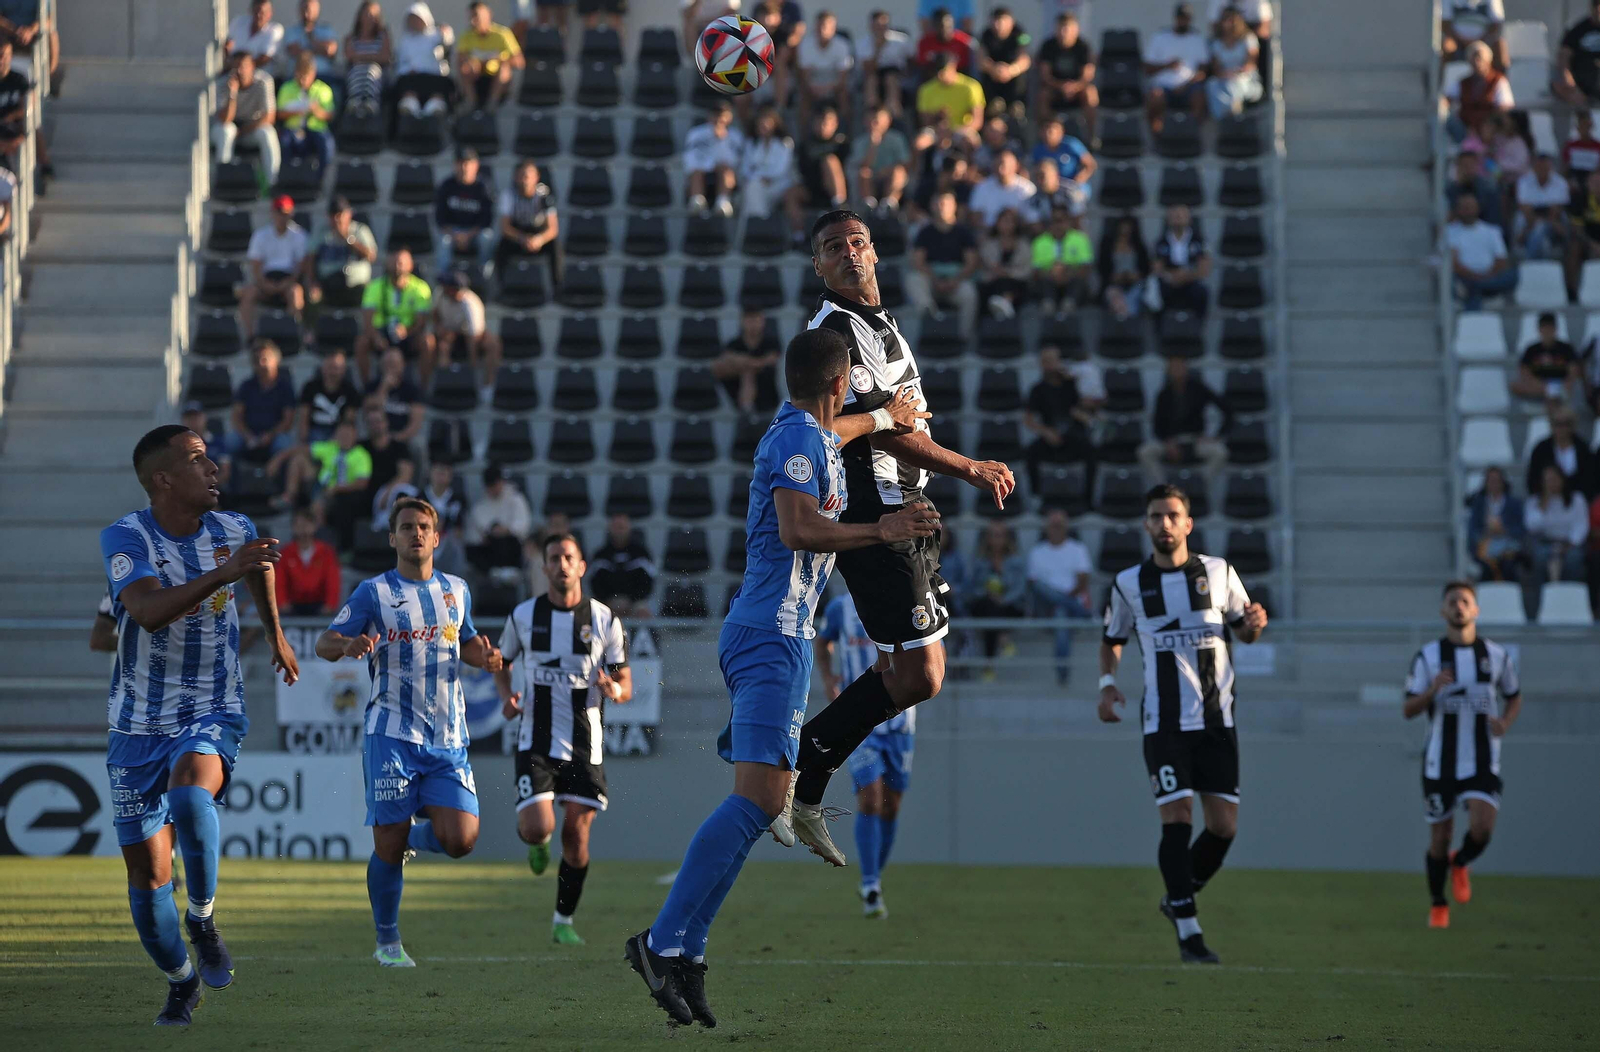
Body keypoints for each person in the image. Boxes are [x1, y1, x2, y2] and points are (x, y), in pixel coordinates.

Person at [625, 329, 938, 1027]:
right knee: (758, 802)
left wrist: (884, 417)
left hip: (777, 635)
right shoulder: (797, 442)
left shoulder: (813, 431)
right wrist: (883, 529)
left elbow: (841, 429)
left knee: (762, 802)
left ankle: (688, 952)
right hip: (771, 634)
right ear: (840, 382)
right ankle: (661, 942)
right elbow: (798, 530)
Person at [785, 210, 1016, 863]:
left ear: (875, 252)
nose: (849, 253)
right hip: (879, 510)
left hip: (907, 505)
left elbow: (902, 420)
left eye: (857, 241)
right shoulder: (836, 332)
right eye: (833, 247)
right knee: (921, 676)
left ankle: (805, 781)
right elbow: (882, 430)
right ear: (818, 266)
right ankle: (799, 767)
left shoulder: (880, 323)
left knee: (901, 668)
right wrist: (968, 467)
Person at [100, 424, 297, 1024]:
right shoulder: (125, 537)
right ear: (162, 479)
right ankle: (181, 981)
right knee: (147, 881)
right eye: (197, 460)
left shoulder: (232, 529)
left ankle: (204, 918)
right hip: (137, 723)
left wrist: (276, 635)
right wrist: (224, 573)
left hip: (212, 706)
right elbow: (145, 611)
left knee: (190, 795)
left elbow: (258, 565)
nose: (213, 469)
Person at [314, 498, 501, 967]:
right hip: (391, 734)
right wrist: (348, 644)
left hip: (447, 737)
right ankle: (388, 942)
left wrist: (484, 657)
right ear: (392, 538)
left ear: (436, 538)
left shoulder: (457, 590)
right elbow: (323, 643)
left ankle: (412, 840)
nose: (415, 534)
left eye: (423, 527)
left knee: (462, 839)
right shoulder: (373, 592)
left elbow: (467, 642)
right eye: (406, 527)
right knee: (387, 844)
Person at [1099, 484, 1269, 964]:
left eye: (1173, 515)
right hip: (1164, 723)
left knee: (1224, 828)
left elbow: (1246, 631)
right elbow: (1112, 638)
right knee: (1177, 819)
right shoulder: (1129, 583)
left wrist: (1256, 623)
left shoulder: (1219, 572)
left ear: (1188, 523)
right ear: (1146, 524)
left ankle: (1177, 896)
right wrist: (1107, 684)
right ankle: (1190, 934)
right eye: (1156, 516)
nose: (1165, 523)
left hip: (1217, 720)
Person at [494, 533, 630, 945]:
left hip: (585, 744)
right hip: (534, 739)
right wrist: (507, 696)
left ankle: (563, 920)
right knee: (539, 828)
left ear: (582, 565)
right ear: (545, 567)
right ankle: (537, 841)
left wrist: (615, 690)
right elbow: (501, 662)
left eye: (569, 557)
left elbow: (624, 680)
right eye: (554, 558)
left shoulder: (604, 619)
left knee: (576, 835)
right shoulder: (523, 615)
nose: (562, 564)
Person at [1404, 581, 1522, 929]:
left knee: (1482, 829)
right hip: (1439, 762)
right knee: (1440, 837)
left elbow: (1514, 695)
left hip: (1482, 759)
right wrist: (1432, 690)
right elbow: (1408, 709)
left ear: (1476, 610)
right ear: (1443, 611)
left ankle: (1461, 861)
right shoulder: (1428, 657)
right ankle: (1438, 904)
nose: (1459, 606)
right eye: (1452, 601)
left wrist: (1505, 722)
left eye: (1465, 601)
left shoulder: (1496, 655)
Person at [816, 590, 914, 918]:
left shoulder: (905, 599)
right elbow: (822, 641)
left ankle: (874, 877)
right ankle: (870, 884)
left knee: (891, 806)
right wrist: (829, 679)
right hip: (861, 719)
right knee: (870, 799)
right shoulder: (841, 608)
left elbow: (932, 649)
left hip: (900, 723)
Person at [1027, 508, 1093, 683]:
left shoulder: (1077, 549)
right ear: (1046, 527)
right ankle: (1082, 612)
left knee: (1060, 614)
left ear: (1066, 527)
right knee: (1040, 588)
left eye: (1059, 525)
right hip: (1045, 606)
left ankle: (1062, 671)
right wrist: (1061, 598)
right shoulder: (1037, 552)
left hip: (1066, 608)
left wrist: (1062, 600)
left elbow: (1083, 581)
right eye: (1053, 525)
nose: (1056, 528)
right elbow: (1034, 585)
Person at [1139, 356, 1229, 482]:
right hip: (1171, 442)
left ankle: (1201, 484)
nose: (1177, 371)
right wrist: (1168, 442)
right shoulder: (1163, 394)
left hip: (1195, 440)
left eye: (1180, 367)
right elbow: (1157, 425)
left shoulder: (1199, 389)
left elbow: (1227, 410)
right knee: (1145, 452)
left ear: (1186, 369)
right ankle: (1164, 487)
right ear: (1168, 372)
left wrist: (1216, 436)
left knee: (1220, 452)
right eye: (1173, 368)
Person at [1024, 344, 1096, 494]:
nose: (1048, 365)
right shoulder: (1037, 389)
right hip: (1050, 437)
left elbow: (1093, 404)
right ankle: (1036, 496)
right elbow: (1028, 420)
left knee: (1092, 452)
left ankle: (1088, 498)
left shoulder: (1073, 385)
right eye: (1045, 361)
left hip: (1074, 436)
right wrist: (1046, 432)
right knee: (1029, 453)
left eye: (1051, 361)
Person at [907, 189, 980, 333]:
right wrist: (935, 280)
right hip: (931, 279)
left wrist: (955, 280)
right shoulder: (925, 232)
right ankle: (931, 317)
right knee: (913, 280)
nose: (941, 207)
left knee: (969, 294)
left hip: (956, 279)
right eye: (938, 203)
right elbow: (918, 262)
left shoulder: (964, 232)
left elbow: (971, 263)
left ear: (954, 206)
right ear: (932, 206)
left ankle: (963, 336)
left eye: (945, 203)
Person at [357, 248, 435, 383]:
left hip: (408, 334)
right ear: (387, 264)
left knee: (428, 341)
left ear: (410, 265)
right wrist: (376, 337)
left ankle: (424, 387)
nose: (397, 266)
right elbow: (367, 319)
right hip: (382, 334)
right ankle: (367, 386)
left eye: (401, 262)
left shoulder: (421, 288)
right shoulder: (374, 287)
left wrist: (407, 331)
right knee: (361, 342)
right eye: (394, 261)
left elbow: (421, 322)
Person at [239, 195, 308, 338]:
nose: (282, 217)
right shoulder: (261, 235)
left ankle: (293, 336)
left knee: (296, 293)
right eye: (279, 212)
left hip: (288, 282)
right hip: (266, 281)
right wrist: (264, 283)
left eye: (286, 213)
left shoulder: (299, 235)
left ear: (291, 213)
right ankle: (250, 337)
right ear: (272, 213)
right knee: (248, 294)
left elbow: (300, 267)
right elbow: (256, 266)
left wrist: (287, 283)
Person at [962, 520, 1026, 663]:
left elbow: (1020, 589)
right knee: (989, 607)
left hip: (1009, 606)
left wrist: (1003, 599)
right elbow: (971, 588)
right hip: (985, 603)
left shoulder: (1016, 562)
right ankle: (1003, 638)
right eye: (993, 535)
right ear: (987, 538)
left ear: (1007, 538)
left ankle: (988, 664)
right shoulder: (979, 562)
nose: (996, 539)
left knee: (993, 612)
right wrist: (987, 594)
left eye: (1000, 535)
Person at [212, 52, 279, 187]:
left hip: (251, 128)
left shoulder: (264, 81)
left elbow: (269, 117)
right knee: (226, 131)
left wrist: (242, 131)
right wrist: (232, 94)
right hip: (229, 126)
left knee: (268, 133)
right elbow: (225, 119)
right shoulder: (222, 83)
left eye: (244, 66)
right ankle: (224, 181)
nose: (240, 71)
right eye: (236, 67)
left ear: (252, 66)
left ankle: (272, 183)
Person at [785, 106, 850, 241]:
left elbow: (848, 168)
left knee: (829, 160)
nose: (822, 126)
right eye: (819, 121)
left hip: (834, 190)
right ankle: (798, 236)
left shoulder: (842, 145)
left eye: (826, 122)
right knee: (791, 194)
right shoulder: (806, 146)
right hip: (813, 189)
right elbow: (803, 171)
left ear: (835, 124)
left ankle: (840, 208)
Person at [493, 159, 561, 286]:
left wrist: (539, 239)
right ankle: (501, 287)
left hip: (538, 234)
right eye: (522, 176)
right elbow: (505, 227)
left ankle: (558, 287)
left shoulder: (545, 195)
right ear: (515, 178)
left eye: (528, 176)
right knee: (501, 248)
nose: (525, 180)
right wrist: (522, 238)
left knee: (555, 247)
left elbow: (553, 228)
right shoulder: (508, 195)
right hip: (518, 235)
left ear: (536, 177)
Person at [229, 341, 299, 464]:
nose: (261, 363)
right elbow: (237, 417)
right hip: (249, 435)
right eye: (256, 360)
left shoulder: (285, 388)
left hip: (275, 436)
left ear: (276, 360)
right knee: (231, 442)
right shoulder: (246, 386)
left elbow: (288, 421)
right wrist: (248, 436)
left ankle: (277, 476)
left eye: (264, 359)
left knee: (284, 444)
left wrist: (270, 436)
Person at [1143, 2, 1208, 134]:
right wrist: (1167, 65)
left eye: (1186, 18)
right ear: (1175, 18)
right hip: (1163, 86)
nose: (1183, 21)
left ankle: (1193, 135)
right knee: (1155, 97)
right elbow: (1147, 69)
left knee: (1199, 96)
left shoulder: (1197, 39)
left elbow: (1203, 71)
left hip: (1189, 86)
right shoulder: (1159, 37)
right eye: (1181, 17)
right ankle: (1157, 137)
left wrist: (1186, 85)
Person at [434, 147, 497, 279]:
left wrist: (468, 236)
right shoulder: (447, 186)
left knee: (486, 237)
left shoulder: (483, 187)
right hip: (453, 232)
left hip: (475, 233)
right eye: (460, 163)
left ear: (476, 165)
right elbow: (440, 219)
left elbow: (486, 220)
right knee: (443, 240)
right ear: (455, 165)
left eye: (468, 163)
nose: (464, 167)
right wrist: (456, 235)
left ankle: (484, 277)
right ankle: (443, 278)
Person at [307, 196, 378, 313]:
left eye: (340, 214)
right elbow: (310, 259)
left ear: (349, 214)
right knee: (312, 298)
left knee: (369, 296)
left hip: (356, 284)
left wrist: (347, 238)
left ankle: (365, 325)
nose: (337, 219)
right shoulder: (322, 233)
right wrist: (313, 283)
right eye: (333, 215)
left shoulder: (360, 230)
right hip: (329, 283)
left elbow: (371, 256)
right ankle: (311, 326)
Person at [1525, 464, 1590, 590]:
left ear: (1562, 479)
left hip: (1570, 543)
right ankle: (1544, 595)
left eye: (1554, 479)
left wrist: (1571, 543)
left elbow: (1581, 525)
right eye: (1547, 480)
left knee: (1573, 559)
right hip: (1545, 543)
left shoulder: (1577, 499)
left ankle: (1571, 593)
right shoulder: (1534, 501)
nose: (1551, 483)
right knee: (1540, 558)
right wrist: (1544, 503)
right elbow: (1532, 526)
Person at [433, 270, 498, 392]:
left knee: (493, 344)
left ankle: (483, 385)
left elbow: (474, 336)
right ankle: (445, 386)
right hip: (449, 334)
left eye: (446, 286)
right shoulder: (440, 293)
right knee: (443, 346)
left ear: (454, 289)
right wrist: (439, 328)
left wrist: (472, 363)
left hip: (473, 337)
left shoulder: (471, 304)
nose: (443, 287)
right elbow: (435, 314)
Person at [392, 2, 456, 120]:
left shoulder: (436, 35)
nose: (414, 22)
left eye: (417, 19)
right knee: (405, 85)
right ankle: (410, 106)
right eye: (411, 19)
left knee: (441, 86)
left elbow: (447, 42)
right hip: (411, 77)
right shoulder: (405, 41)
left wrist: (446, 33)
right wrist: (407, 70)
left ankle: (435, 107)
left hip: (434, 76)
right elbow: (401, 63)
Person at [1036, 12, 1096, 135]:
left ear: (1076, 29)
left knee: (1091, 93)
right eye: (1061, 28)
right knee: (1043, 96)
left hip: (1078, 89)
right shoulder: (1048, 46)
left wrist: (1073, 87)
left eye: (1068, 28)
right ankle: (1045, 135)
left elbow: (1087, 76)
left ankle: (1092, 136)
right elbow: (1045, 75)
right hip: (1055, 88)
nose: (1064, 33)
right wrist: (1061, 86)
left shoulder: (1083, 47)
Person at [456, 1, 523, 111]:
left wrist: (500, 60)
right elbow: (460, 59)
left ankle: (492, 105)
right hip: (476, 77)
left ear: (488, 15)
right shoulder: (466, 36)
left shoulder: (502, 34)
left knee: (504, 69)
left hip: (497, 80)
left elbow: (519, 61)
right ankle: (471, 104)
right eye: (471, 17)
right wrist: (472, 63)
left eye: (476, 16)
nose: (473, 21)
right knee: (465, 68)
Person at [465, 462, 534, 570]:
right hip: (490, 547)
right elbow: (476, 533)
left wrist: (506, 530)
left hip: (511, 545)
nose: (494, 489)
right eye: (491, 486)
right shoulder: (480, 506)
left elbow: (523, 527)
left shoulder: (516, 500)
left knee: (506, 543)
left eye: (496, 484)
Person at [274, 507, 342, 615]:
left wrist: (330, 605)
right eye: (299, 525)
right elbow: (279, 582)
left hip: (320, 605)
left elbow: (333, 581)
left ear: (314, 526)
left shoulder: (327, 552)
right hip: (292, 607)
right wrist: (282, 604)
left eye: (307, 524)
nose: (303, 528)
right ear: (293, 528)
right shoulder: (285, 553)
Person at [683, 102, 745, 218]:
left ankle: (723, 202)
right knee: (696, 171)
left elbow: (736, 161)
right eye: (715, 115)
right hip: (701, 171)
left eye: (722, 115)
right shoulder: (696, 133)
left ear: (729, 117)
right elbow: (690, 157)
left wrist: (721, 141)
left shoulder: (736, 136)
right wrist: (708, 165)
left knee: (726, 170)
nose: (718, 119)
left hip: (726, 175)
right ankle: (697, 201)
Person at [712, 307, 781, 413]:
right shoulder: (734, 344)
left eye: (756, 320)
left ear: (763, 322)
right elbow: (727, 358)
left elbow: (772, 359)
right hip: (736, 384)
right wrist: (754, 363)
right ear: (742, 322)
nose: (753, 325)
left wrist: (745, 362)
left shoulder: (771, 343)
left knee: (748, 371)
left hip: (767, 386)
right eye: (749, 321)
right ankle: (746, 409)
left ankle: (747, 409)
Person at [1445, 39, 1512, 145]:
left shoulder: (1498, 80)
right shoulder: (1464, 82)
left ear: (1488, 60)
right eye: (1473, 58)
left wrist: (1488, 124)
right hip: (1467, 129)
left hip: (1489, 128)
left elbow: (1504, 107)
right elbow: (1447, 99)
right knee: (1449, 121)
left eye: (1480, 58)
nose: (1477, 62)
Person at [588, 512, 656, 616]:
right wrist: (609, 600)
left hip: (635, 602)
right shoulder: (601, 554)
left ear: (629, 528)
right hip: (607, 601)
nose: (619, 531)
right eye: (616, 527)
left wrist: (631, 600)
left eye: (622, 527)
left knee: (643, 612)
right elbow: (595, 582)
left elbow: (648, 582)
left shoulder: (641, 553)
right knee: (594, 612)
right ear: (610, 529)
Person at [276, 52, 334, 169]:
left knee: (326, 143)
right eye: (299, 76)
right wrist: (298, 111)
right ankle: (286, 175)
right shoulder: (286, 88)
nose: (302, 81)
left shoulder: (324, 89)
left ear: (313, 73)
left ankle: (321, 177)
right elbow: (279, 114)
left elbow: (330, 115)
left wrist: (316, 111)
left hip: (316, 129)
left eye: (305, 76)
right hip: (292, 128)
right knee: (284, 142)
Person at [1525, 405, 1597, 500]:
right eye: (1558, 424)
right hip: (1547, 500)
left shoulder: (1583, 449)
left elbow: (1590, 479)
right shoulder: (1541, 449)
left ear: (1573, 426)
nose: (1562, 428)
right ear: (1551, 425)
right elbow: (1533, 479)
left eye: (1566, 424)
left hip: (1577, 501)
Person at [1466, 466, 1525, 582]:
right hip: (1485, 547)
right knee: (1486, 567)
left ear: (1503, 482)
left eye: (1497, 480)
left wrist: (1504, 530)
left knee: (1509, 566)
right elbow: (1473, 529)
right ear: (1485, 483)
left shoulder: (1514, 504)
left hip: (1508, 547)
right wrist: (1486, 533)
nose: (1494, 484)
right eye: (1491, 481)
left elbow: (1521, 529)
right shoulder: (1478, 504)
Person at [795, 10, 853, 128]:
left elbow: (842, 78)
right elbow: (805, 76)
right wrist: (814, 88)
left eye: (826, 26)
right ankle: (804, 135)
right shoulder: (806, 45)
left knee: (844, 96)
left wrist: (828, 88)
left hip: (835, 84)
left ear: (834, 28)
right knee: (803, 97)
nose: (822, 29)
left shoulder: (842, 45)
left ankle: (845, 132)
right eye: (820, 25)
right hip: (813, 85)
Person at [849, 104, 911, 212]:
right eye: (869, 120)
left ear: (888, 121)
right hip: (871, 178)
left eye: (877, 120)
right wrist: (873, 145)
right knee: (863, 173)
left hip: (889, 176)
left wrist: (886, 171)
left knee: (899, 172)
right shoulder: (860, 142)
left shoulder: (897, 139)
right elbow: (863, 165)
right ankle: (869, 205)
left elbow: (905, 163)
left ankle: (889, 205)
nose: (873, 124)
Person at [1153, 204, 1213, 316]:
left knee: (1202, 293)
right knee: (1155, 295)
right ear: (1168, 220)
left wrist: (1186, 276)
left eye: (1181, 215)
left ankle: (1198, 324)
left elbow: (1204, 269)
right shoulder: (1161, 242)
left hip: (1191, 281)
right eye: (1175, 215)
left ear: (1189, 219)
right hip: (1169, 282)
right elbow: (1157, 269)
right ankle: (1160, 326)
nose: (1178, 218)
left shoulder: (1199, 241)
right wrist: (1172, 276)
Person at [738, 104, 795, 220]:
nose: (763, 127)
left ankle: (756, 222)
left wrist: (765, 177)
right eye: (761, 124)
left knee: (752, 189)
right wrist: (759, 178)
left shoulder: (785, 143)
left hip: (779, 185)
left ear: (774, 124)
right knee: (753, 188)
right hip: (756, 182)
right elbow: (745, 168)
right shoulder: (751, 143)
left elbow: (781, 168)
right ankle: (758, 220)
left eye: (767, 124)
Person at [916, 52, 985, 145]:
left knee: (969, 141)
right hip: (936, 130)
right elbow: (925, 121)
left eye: (944, 70)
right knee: (920, 143)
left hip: (962, 129)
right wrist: (937, 116)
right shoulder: (926, 89)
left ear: (953, 66)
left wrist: (959, 130)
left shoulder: (971, 87)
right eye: (937, 71)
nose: (940, 75)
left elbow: (977, 120)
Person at [296, 346, 361, 445]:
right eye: (330, 367)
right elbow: (303, 418)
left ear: (344, 370)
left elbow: (349, 422)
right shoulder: (310, 387)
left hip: (338, 434)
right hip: (315, 433)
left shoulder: (350, 390)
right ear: (323, 368)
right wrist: (303, 442)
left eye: (337, 368)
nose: (333, 372)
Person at [1205, 6, 1261, 121]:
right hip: (1224, 79)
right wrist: (1225, 74)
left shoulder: (1248, 39)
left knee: (1233, 85)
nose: (1227, 23)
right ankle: (1221, 119)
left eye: (1230, 19)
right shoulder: (1216, 43)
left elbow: (1251, 64)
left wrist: (1237, 73)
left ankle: (1235, 116)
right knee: (1212, 85)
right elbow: (1216, 69)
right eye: (1225, 19)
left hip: (1246, 79)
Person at [1031, 208, 1093, 312]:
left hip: (1072, 280)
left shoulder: (1080, 239)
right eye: (1054, 221)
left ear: (1068, 222)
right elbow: (1036, 270)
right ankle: (1048, 306)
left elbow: (1086, 267)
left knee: (1079, 282)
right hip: (1049, 280)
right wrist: (1052, 274)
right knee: (1043, 282)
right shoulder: (1039, 242)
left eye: (1061, 221)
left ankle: (1069, 306)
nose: (1058, 225)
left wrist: (1067, 274)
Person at [976, 207, 1033, 319]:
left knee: (1008, 283)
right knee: (996, 284)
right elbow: (983, 269)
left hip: (1017, 284)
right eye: (1004, 221)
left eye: (1010, 221)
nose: (1007, 225)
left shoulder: (1024, 245)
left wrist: (1008, 272)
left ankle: (1005, 304)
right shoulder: (988, 245)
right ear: (997, 223)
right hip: (993, 283)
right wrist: (995, 272)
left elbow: (1027, 270)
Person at [1514, 153, 1571, 263]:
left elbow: (1557, 210)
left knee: (1540, 229)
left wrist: (1542, 221)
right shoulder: (1524, 181)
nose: (1542, 170)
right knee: (1539, 233)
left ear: (1551, 167)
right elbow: (1525, 209)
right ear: (1534, 168)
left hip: (1553, 223)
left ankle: (1531, 264)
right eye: (1539, 167)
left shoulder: (1561, 183)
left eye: (1545, 167)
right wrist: (1536, 222)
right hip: (1529, 222)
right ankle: (1540, 264)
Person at [1512, 312, 1581, 402]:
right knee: (1515, 386)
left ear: (1555, 329)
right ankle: (1550, 394)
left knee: (1566, 388)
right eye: (1545, 328)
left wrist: (1567, 382)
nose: (1547, 332)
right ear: (1539, 329)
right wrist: (1537, 383)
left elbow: (1573, 369)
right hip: (1538, 385)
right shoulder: (1531, 349)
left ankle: (1552, 396)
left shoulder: (1566, 348)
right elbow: (1524, 371)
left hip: (1559, 383)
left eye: (1550, 328)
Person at [858, 9, 914, 120]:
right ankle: (872, 114)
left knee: (890, 78)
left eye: (883, 25)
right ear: (871, 26)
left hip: (896, 74)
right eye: (877, 26)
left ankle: (894, 113)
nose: (880, 29)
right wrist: (878, 49)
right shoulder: (863, 43)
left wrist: (906, 73)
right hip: (874, 73)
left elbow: (912, 61)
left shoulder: (901, 40)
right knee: (871, 81)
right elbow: (868, 69)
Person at [977, 6, 1031, 119]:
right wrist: (994, 69)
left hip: (1013, 80)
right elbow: (981, 60)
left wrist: (1011, 71)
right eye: (996, 21)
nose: (999, 25)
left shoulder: (1021, 34)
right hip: (993, 78)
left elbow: (1025, 60)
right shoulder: (986, 35)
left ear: (1011, 21)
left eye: (1003, 21)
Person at [343, 1, 393, 116]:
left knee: (371, 70)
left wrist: (361, 57)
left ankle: (371, 101)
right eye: (367, 14)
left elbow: (385, 57)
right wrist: (373, 57)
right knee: (357, 70)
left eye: (373, 16)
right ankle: (355, 99)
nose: (370, 19)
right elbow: (349, 55)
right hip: (356, 70)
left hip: (377, 71)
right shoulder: (352, 37)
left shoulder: (383, 37)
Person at [1099, 215, 1152, 319]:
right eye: (1123, 226)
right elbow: (1102, 269)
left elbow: (1146, 269)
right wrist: (1113, 277)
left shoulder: (1139, 246)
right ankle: (1122, 318)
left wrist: (1136, 276)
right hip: (1113, 284)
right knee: (1115, 298)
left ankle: (1126, 319)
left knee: (1135, 298)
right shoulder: (1107, 245)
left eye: (1128, 227)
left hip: (1137, 283)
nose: (1125, 230)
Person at [280, 0, 339, 87]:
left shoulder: (326, 30)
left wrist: (311, 40)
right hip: (297, 78)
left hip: (323, 75)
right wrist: (320, 49)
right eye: (304, 9)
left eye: (310, 9)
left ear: (317, 10)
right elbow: (294, 51)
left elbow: (329, 50)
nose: (306, 13)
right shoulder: (292, 31)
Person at [1553, 0, 1600, 108]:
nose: (1598, 9)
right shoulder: (1578, 30)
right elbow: (1564, 56)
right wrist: (1568, 80)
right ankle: (1584, 114)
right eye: (1596, 5)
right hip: (1583, 81)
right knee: (1560, 88)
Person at [1442, 0, 1507, 71]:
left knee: (1499, 45)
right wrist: (1462, 40)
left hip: (1485, 41)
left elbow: (1496, 24)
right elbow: (1445, 24)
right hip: (1457, 42)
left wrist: (1480, 40)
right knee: (1446, 46)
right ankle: (1439, 76)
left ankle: (1501, 76)